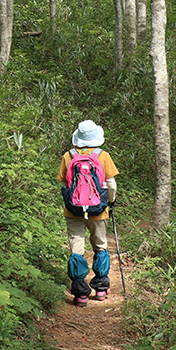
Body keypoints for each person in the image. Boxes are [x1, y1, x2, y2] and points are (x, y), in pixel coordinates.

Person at [58, 119, 118, 306]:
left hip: (73, 210)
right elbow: (111, 184)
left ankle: (80, 293)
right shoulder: (103, 155)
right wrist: (110, 201)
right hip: (98, 210)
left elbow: (65, 183)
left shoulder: (68, 156)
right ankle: (100, 288)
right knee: (100, 245)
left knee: (77, 248)